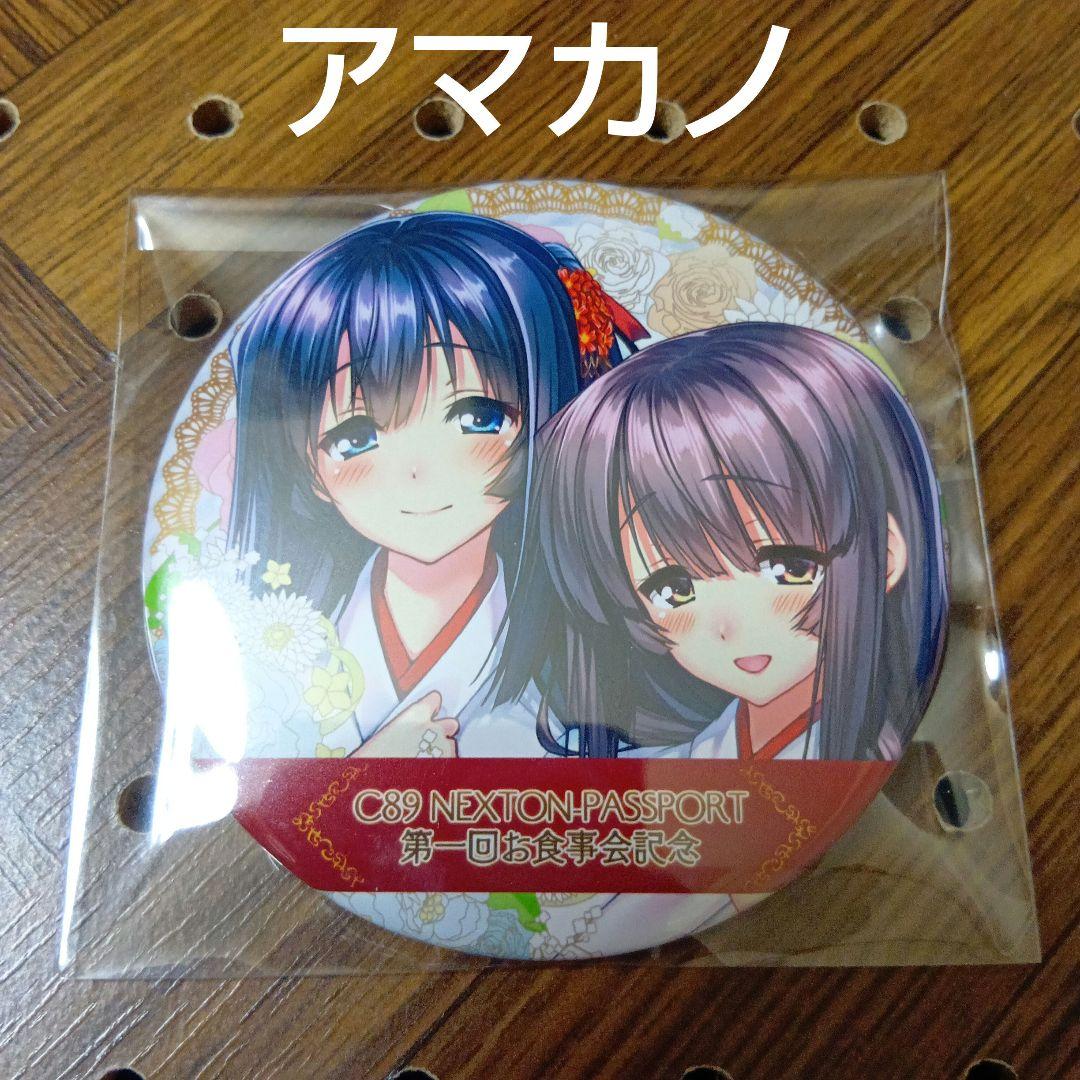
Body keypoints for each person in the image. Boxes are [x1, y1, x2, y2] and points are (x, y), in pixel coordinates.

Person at [493, 322, 949, 761]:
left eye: (787, 568)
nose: (731, 627)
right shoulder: (695, 757)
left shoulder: (879, 749)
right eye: (672, 589)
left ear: (886, 556)